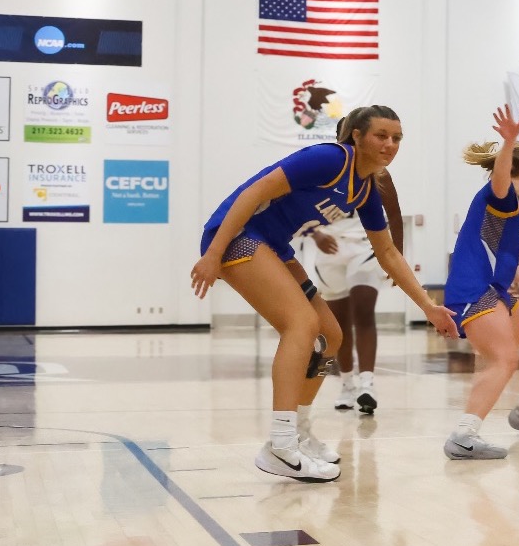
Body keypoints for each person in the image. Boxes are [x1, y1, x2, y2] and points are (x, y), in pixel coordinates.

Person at [192, 105, 459, 482]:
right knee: (301, 324)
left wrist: (429, 307)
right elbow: (253, 193)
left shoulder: (365, 189)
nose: (390, 144)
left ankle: (298, 432)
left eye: (397, 138)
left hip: (274, 245)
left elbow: (387, 253)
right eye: (381, 135)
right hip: (237, 235)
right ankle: (280, 445)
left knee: (329, 335)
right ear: (357, 136)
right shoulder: (328, 159)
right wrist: (213, 253)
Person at [442, 106, 519, 459]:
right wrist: (510, 141)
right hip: (472, 289)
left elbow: (502, 265)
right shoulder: (503, 195)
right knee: (504, 358)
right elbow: (500, 179)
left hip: (492, 289)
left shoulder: (513, 210)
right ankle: (464, 435)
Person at [302, 160, 400, 414]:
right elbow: (300, 209)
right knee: (339, 324)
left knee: (364, 310)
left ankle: (367, 384)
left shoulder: (378, 172)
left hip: (365, 246)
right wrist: (315, 234)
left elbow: (395, 214)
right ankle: (347, 384)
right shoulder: (322, 168)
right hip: (330, 249)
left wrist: (396, 259)